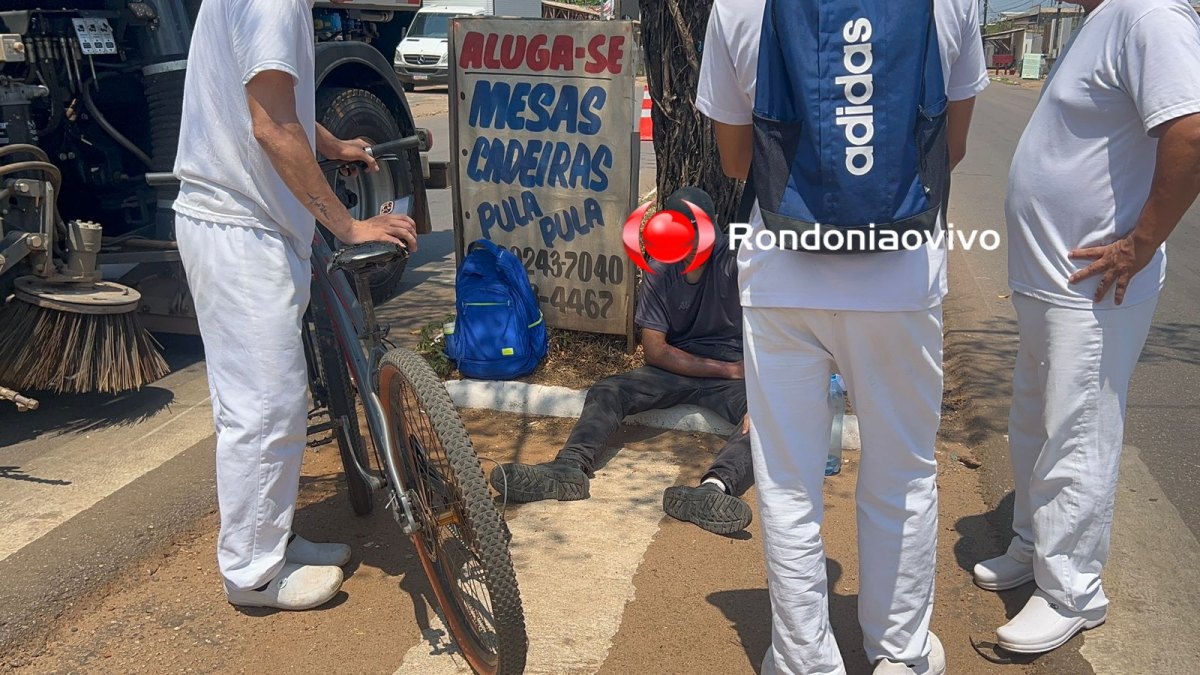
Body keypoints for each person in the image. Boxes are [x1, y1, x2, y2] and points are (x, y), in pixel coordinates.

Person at [696, 1, 986, 673]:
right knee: (903, 472)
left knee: (789, 478)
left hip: (782, 279)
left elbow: (741, 160)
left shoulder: (736, 6)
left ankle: (803, 659)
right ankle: (900, 654)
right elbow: (951, 147)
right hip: (901, 279)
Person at [172, 0, 419, 610]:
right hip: (237, 223)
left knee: (272, 398)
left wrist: (332, 146)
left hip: (253, 221)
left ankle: (270, 540)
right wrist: (349, 226)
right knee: (264, 405)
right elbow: (271, 127)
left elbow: (278, 106)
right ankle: (252, 574)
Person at [974, 0, 1200, 654]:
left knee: (1080, 430)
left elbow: (1190, 130)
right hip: (1053, 283)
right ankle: (1033, 541)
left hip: (1099, 286)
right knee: (1034, 419)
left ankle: (1073, 590)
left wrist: (1142, 242)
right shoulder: (1102, 20)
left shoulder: (1150, 14)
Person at [489, 187, 757, 535]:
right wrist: (726, 369)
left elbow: (771, 334)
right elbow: (655, 350)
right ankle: (568, 469)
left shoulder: (740, 264)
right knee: (608, 391)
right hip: (683, 369)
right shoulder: (661, 270)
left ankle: (713, 491)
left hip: (734, 376)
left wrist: (759, 390)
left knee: (766, 419)